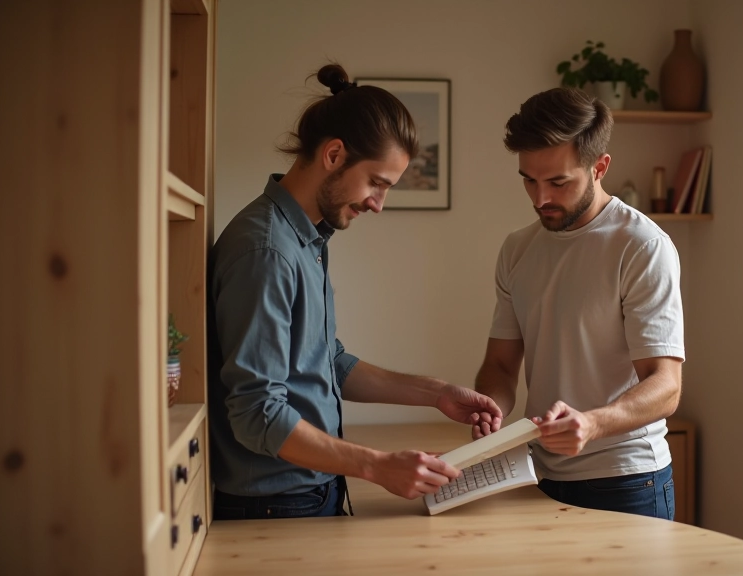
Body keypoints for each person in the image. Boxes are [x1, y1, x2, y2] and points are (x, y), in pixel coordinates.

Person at [207, 64, 503, 520]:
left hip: (304, 492)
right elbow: (257, 414)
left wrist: (437, 393)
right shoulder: (267, 252)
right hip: (276, 504)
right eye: (377, 183)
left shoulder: (304, 239)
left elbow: (328, 363)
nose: (377, 204)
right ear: (333, 155)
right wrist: (377, 465)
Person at [472, 87, 684, 520]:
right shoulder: (517, 249)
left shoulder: (641, 246)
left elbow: (666, 386)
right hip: (539, 474)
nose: (540, 198)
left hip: (627, 479)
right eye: (529, 179)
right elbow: (500, 365)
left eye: (558, 182)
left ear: (599, 167)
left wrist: (591, 424)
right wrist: (489, 408)